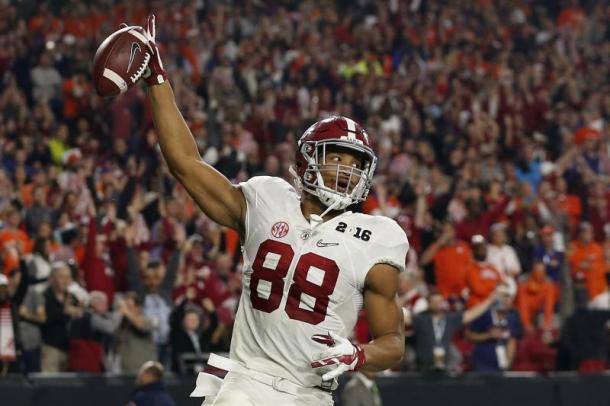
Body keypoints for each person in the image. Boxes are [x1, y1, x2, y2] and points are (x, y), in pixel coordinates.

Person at [140, 15, 408, 406]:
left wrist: (359, 355)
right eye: (338, 158)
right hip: (247, 381)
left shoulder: (377, 237)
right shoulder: (267, 198)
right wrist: (157, 81)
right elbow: (186, 163)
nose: (348, 171)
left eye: (356, 164)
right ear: (307, 160)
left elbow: (394, 342)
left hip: (309, 394)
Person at [403, 289, 500, 372]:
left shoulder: (450, 319)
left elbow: (470, 314)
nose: (437, 304)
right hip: (422, 368)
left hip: (445, 368)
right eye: (434, 301)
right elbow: (405, 318)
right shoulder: (421, 319)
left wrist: (489, 301)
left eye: (440, 301)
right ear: (429, 304)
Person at [465, 286, 521, 372]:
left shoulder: (512, 318)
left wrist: (508, 363)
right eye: (502, 296)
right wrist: (488, 335)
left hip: (501, 365)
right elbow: (469, 335)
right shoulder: (484, 315)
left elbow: (511, 342)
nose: (505, 300)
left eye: (508, 297)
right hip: (482, 363)